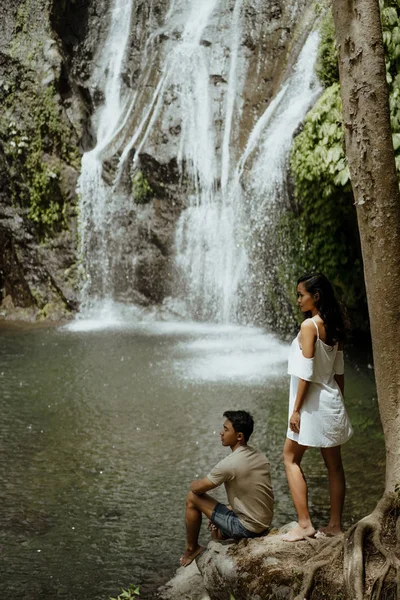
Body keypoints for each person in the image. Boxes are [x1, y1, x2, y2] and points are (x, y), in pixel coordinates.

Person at [282, 273, 353, 542]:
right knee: (334, 465)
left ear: (317, 296)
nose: (298, 299)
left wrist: (296, 409)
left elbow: (306, 373)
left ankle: (304, 524)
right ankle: (335, 525)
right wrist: (340, 404)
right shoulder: (335, 325)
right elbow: (339, 372)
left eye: (302, 294)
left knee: (289, 458)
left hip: (311, 404)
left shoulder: (309, 326)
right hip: (331, 399)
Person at [180, 410, 274, 567]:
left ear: (239, 436)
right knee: (216, 529)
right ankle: (220, 535)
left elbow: (197, 490)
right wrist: (226, 510)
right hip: (263, 523)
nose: (221, 433)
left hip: (247, 528)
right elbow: (256, 495)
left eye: (226, 429)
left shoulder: (230, 463)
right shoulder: (260, 456)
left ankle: (192, 549)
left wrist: (192, 483)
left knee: (192, 498)